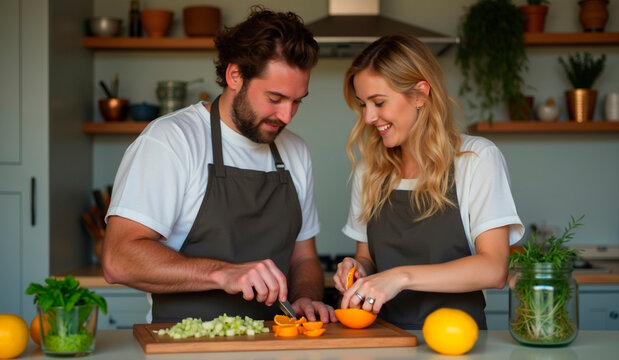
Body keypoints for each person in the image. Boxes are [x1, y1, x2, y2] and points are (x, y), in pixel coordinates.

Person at [102, 6, 336, 324]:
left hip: (276, 346)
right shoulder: (171, 140)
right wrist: (224, 274)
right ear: (235, 75)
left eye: (297, 101)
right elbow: (119, 259)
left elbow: (303, 256)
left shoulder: (295, 150)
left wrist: (306, 298)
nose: (287, 116)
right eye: (275, 98)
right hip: (184, 346)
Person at [333, 33, 524, 330]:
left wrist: (401, 277)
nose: (369, 117)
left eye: (379, 102)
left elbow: (494, 268)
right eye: (363, 105)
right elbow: (367, 257)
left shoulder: (476, 159)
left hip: (457, 342)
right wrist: (359, 269)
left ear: (420, 94)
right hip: (384, 340)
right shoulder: (371, 169)